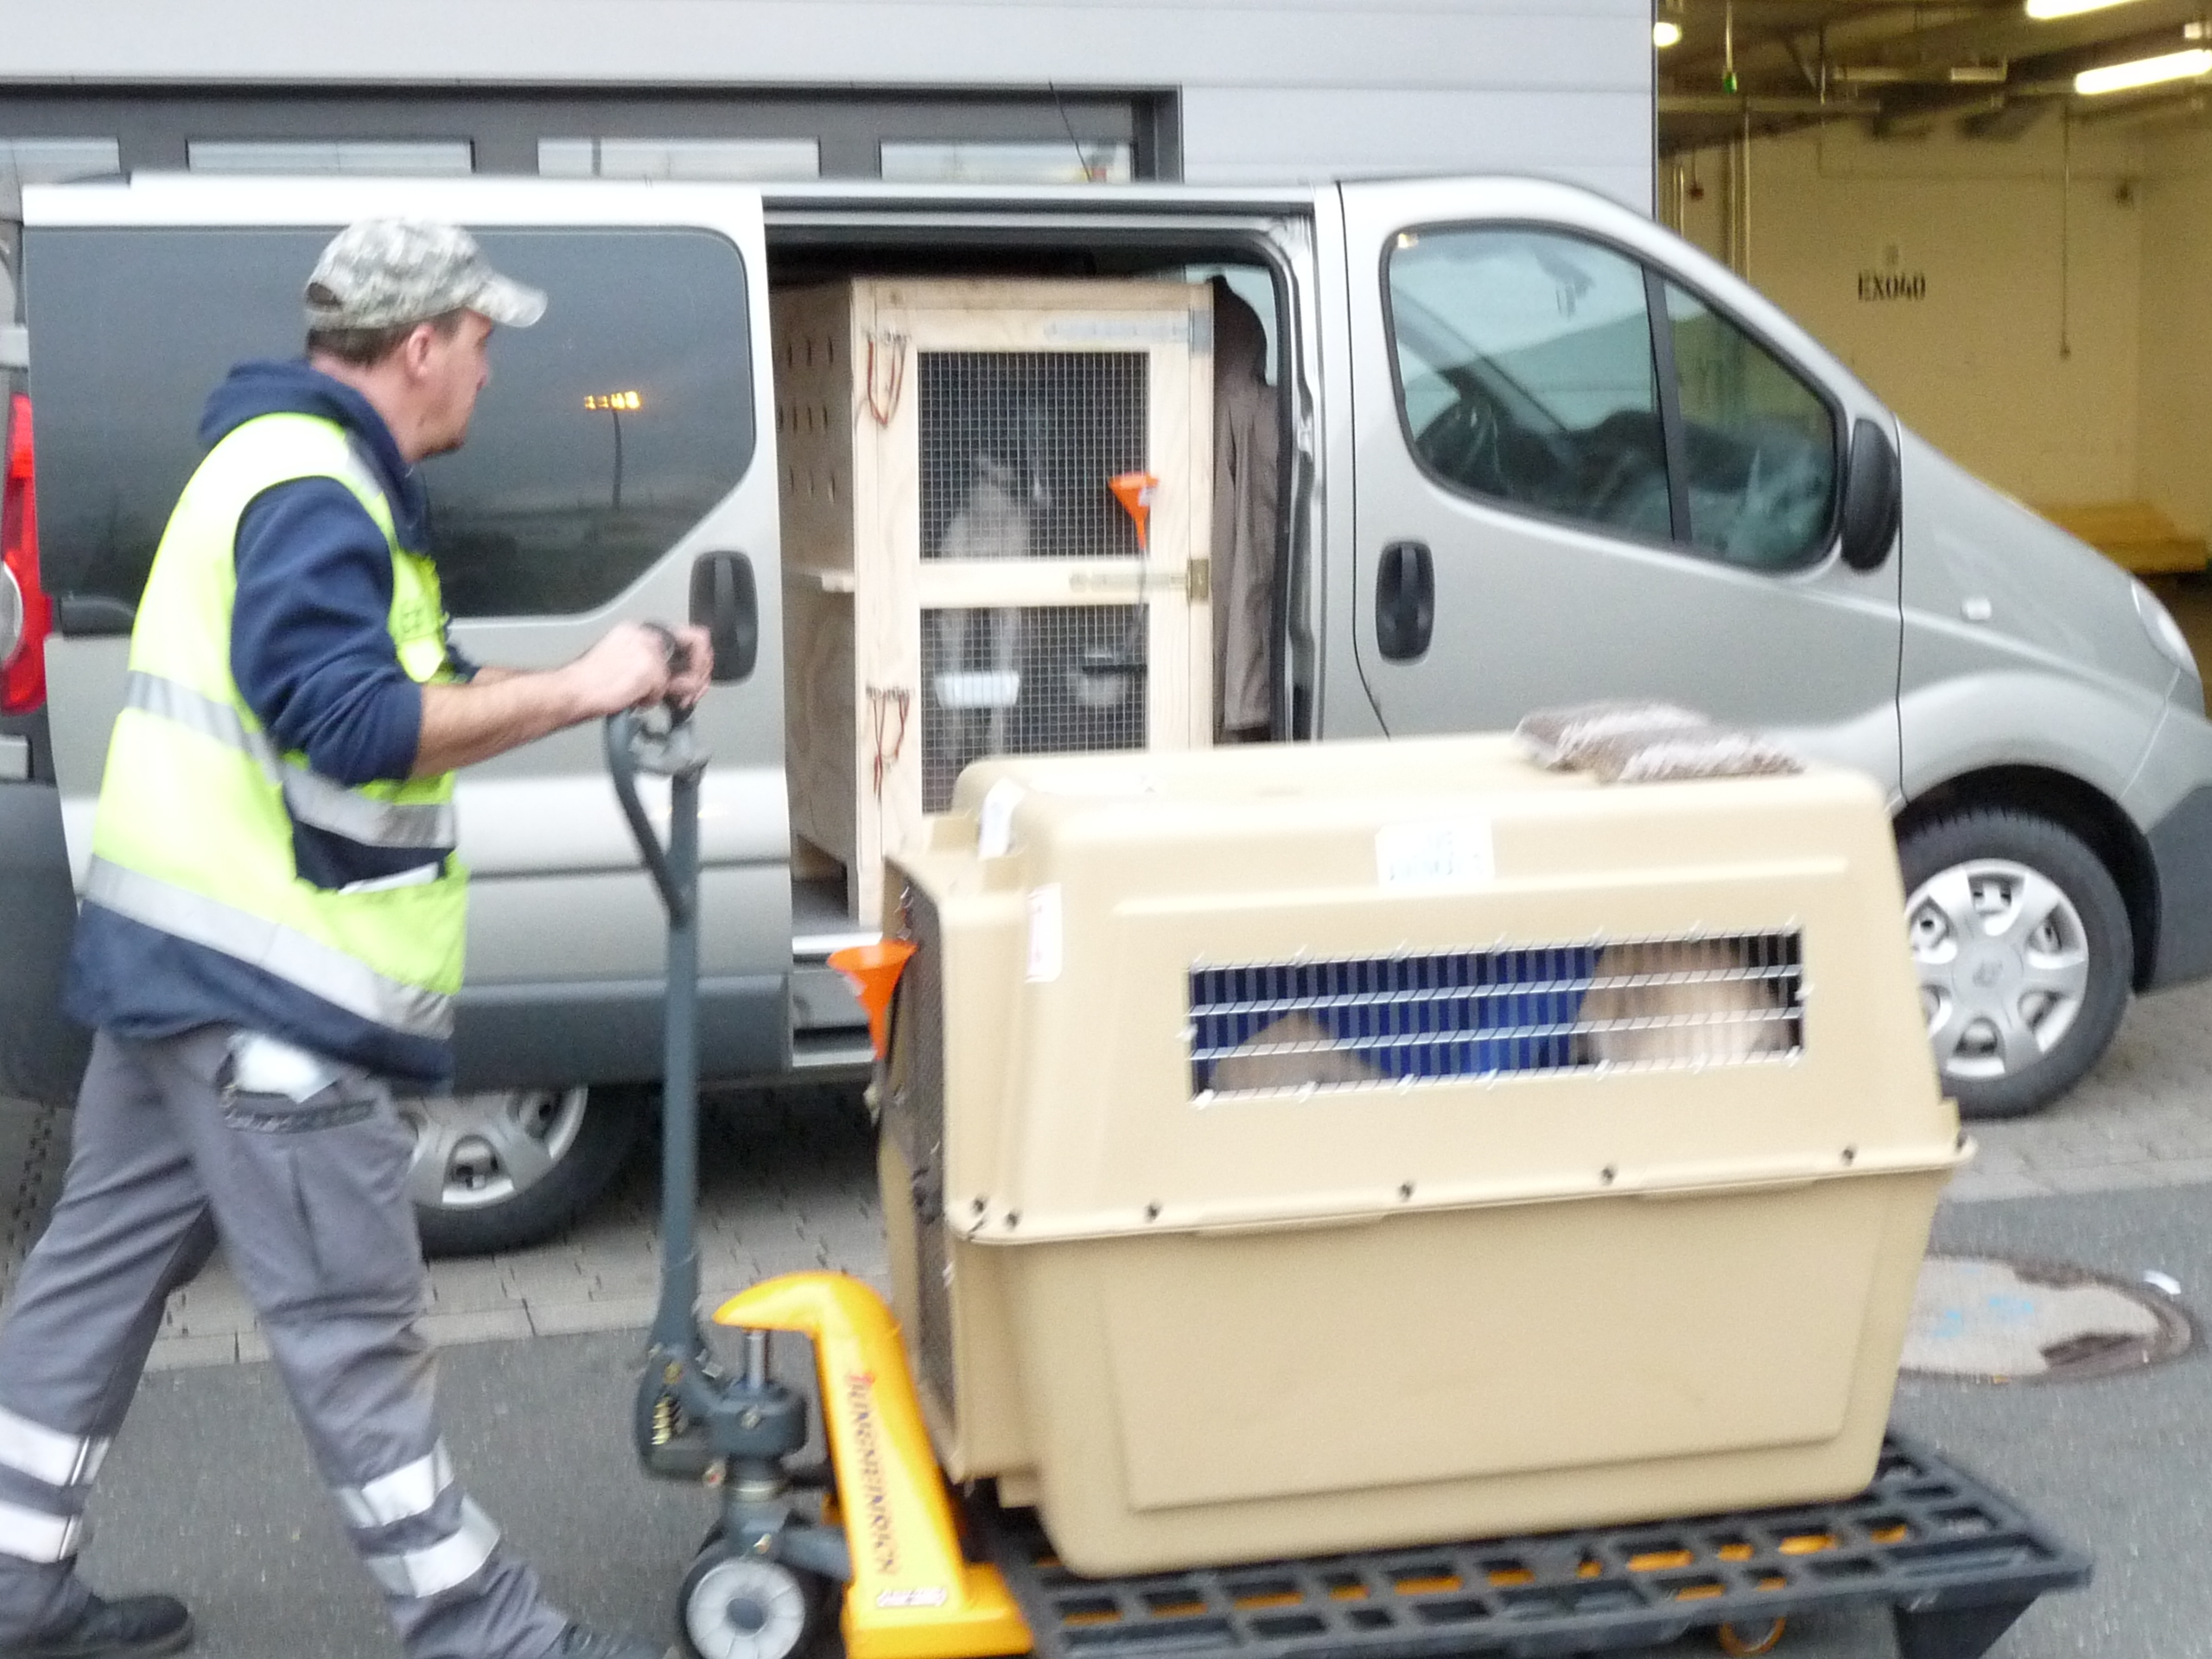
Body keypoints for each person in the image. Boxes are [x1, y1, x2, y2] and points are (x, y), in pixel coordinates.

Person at [0, 219, 701, 1659]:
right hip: (273, 998)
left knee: (91, 1283)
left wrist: (604, 674)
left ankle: (11, 1580)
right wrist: (584, 687)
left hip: (175, 974)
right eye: (483, 343)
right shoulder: (317, 489)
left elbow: (410, 682)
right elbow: (357, 723)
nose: (491, 374)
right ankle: (483, 1631)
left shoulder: (269, 466)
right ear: (421, 344)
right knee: (355, 1336)